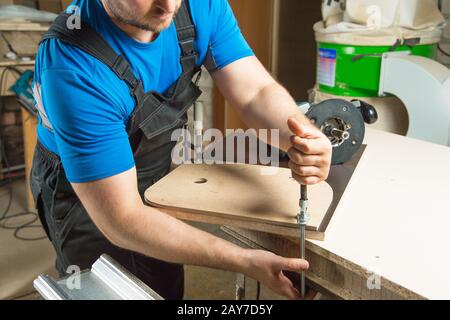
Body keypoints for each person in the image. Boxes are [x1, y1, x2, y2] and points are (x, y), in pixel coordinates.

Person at [31, 0, 332, 300]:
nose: (169, 4)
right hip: (85, 193)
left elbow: (255, 93)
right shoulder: (72, 65)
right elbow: (122, 220)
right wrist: (243, 260)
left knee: (162, 282)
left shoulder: (199, 6)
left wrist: (300, 135)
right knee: (110, 287)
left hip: (152, 169)